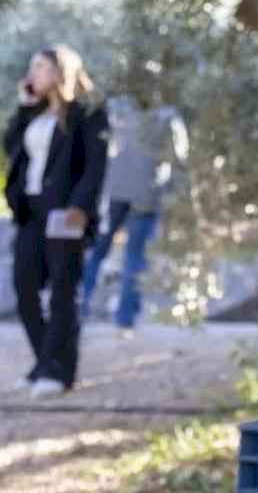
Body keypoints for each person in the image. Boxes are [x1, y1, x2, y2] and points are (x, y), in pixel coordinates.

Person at [4, 44, 109, 398]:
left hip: (66, 212)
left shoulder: (88, 112)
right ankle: (44, 363)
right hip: (30, 211)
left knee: (64, 292)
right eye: (32, 67)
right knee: (24, 289)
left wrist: (80, 207)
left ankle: (59, 371)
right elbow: (11, 148)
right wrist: (25, 105)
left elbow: (95, 166)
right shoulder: (33, 115)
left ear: (60, 71)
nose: (33, 74)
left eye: (40, 67)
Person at [80, 95, 188, 332]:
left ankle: (79, 308)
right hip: (145, 193)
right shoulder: (166, 115)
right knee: (134, 257)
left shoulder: (116, 109)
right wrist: (173, 191)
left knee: (98, 251)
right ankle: (124, 320)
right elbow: (179, 157)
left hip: (116, 191)